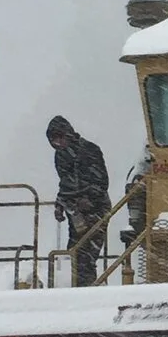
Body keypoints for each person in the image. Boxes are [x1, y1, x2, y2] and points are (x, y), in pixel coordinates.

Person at [47, 116, 112, 286]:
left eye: (59, 138)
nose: (57, 143)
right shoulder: (60, 155)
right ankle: (82, 287)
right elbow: (64, 183)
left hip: (96, 209)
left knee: (87, 254)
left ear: (68, 134)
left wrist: (89, 199)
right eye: (54, 140)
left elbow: (102, 181)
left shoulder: (90, 150)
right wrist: (60, 204)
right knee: (76, 252)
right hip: (75, 210)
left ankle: (87, 288)